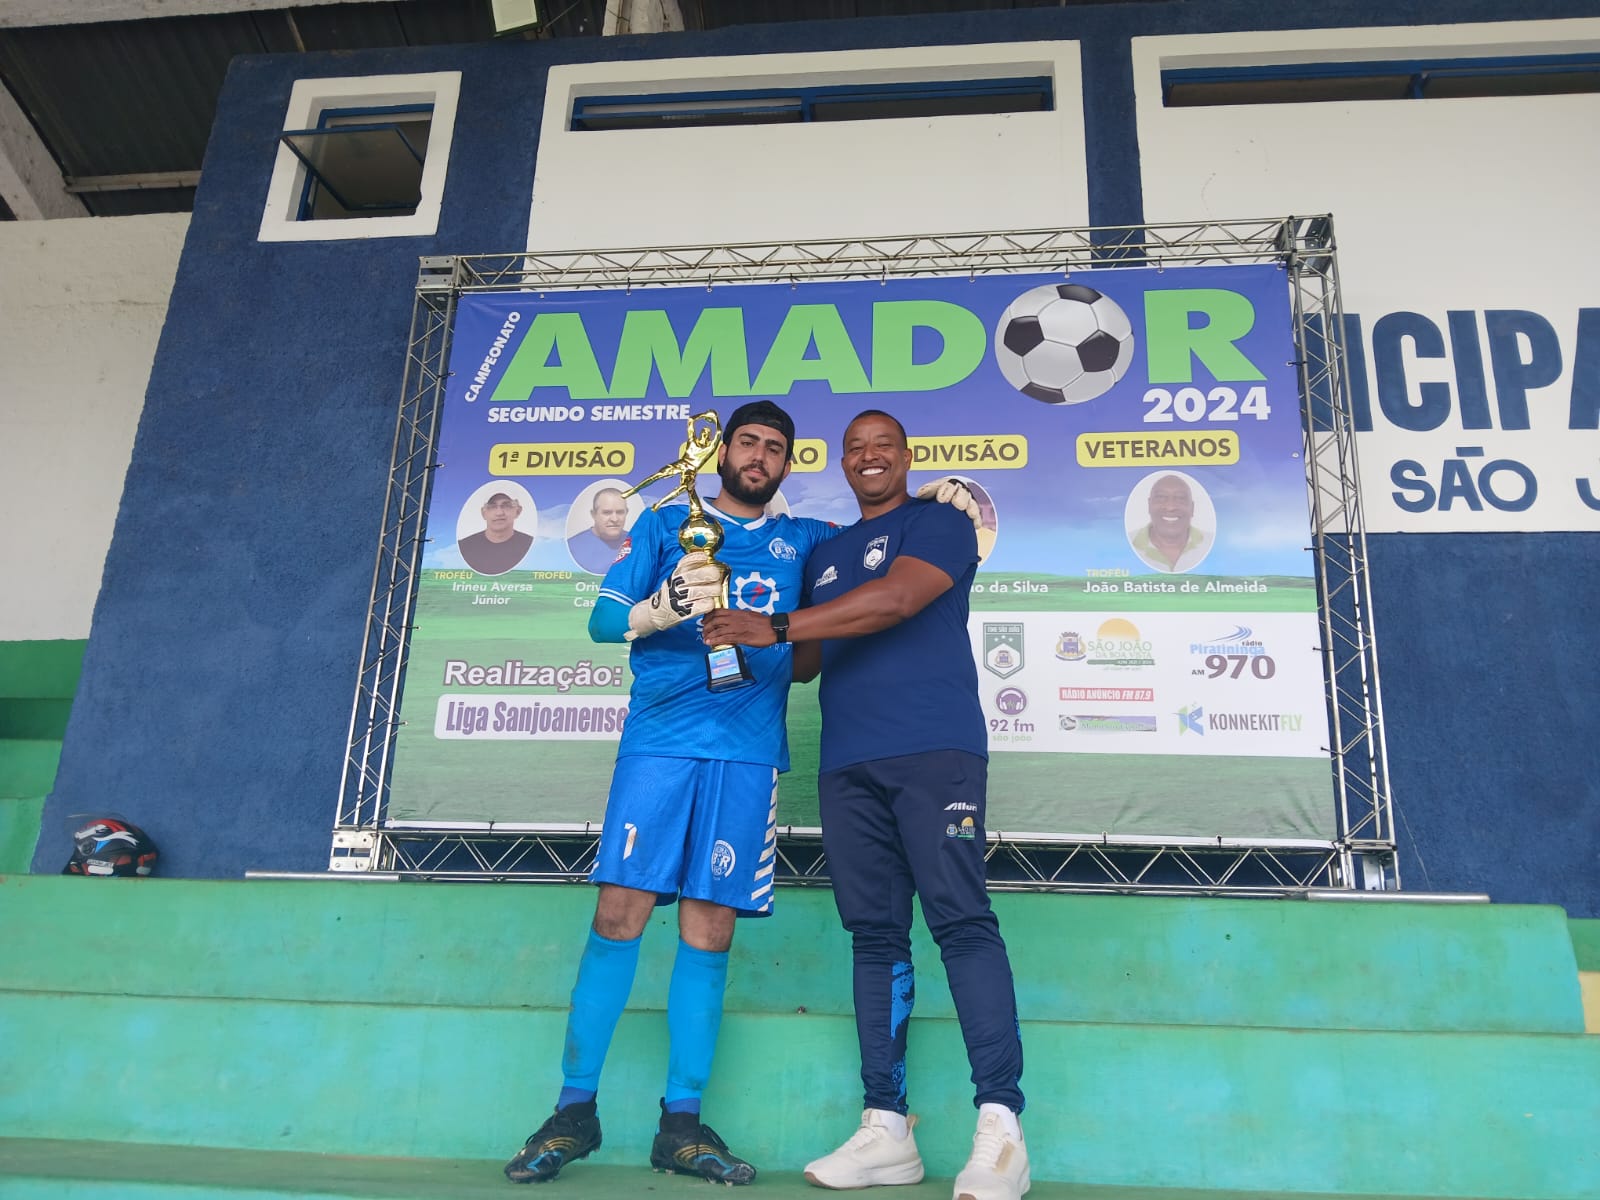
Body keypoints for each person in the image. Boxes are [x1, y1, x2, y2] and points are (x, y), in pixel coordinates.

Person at [502, 401, 840, 1188]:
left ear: (789, 466)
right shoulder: (664, 521)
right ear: (721, 451)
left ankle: (680, 1127)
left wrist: (939, 497)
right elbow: (601, 620)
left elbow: (865, 569)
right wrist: (660, 610)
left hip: (748, 759)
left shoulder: (807, 541)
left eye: (776, 449)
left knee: (710, 931)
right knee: (617, 916)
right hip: (657, 746)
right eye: (749, 442)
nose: (759, 457)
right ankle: (572, 1114)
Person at [701, 410, 1029, 1200]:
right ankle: (886, 1127)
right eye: (856, 448)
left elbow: (893, 602)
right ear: (843, 465)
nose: (870, 456)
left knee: (959, 920)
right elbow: (807, 661)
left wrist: (772, 623)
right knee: (875, 937)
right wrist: (722, 623)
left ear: (907, 457)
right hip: (849, 763)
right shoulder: (828, 551)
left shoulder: (941, 522)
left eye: (884, 445)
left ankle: (1002, 1127)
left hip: (935, 751)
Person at [1129, 473, 1213, 573]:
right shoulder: (1126, 544)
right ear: (1149, 505)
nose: (1170, 507)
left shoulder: (1212, 544)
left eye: (1180, 498)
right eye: (1161, 497)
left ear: (1192, 508)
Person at [459, 491, 534, 575]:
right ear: (483, 513)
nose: (499, 513)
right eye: (492, 507)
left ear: (518, 511)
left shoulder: (531, 545)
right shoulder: (464, 547)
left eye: (507, 506)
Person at [568, 486, 632, 573]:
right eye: (607, 513)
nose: (614, 519)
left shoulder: (637, 543)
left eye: (620, 512)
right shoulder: (572, 547)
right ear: (593, 514)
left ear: (626, 513)